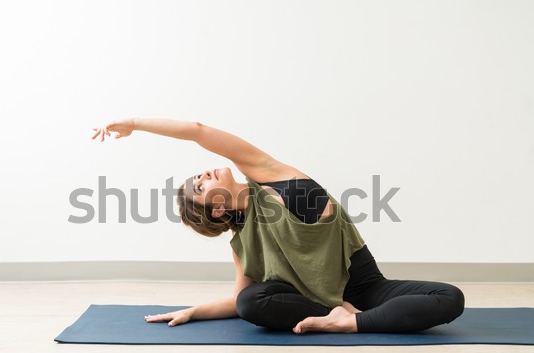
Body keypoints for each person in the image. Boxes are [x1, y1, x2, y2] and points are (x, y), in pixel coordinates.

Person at [91, 118, 465, 334]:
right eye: (201, 187)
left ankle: (347, 322)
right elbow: (241, 301)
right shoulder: (242, 243)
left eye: (199, 176)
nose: (203, 174)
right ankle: (332, 316)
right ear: (217, 211)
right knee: (251, 301)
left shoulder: (270, 175)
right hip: (318, 301)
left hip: (365, 288)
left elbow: (199, 131)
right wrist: (193, 311)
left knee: (450, 299)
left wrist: (135, 124)